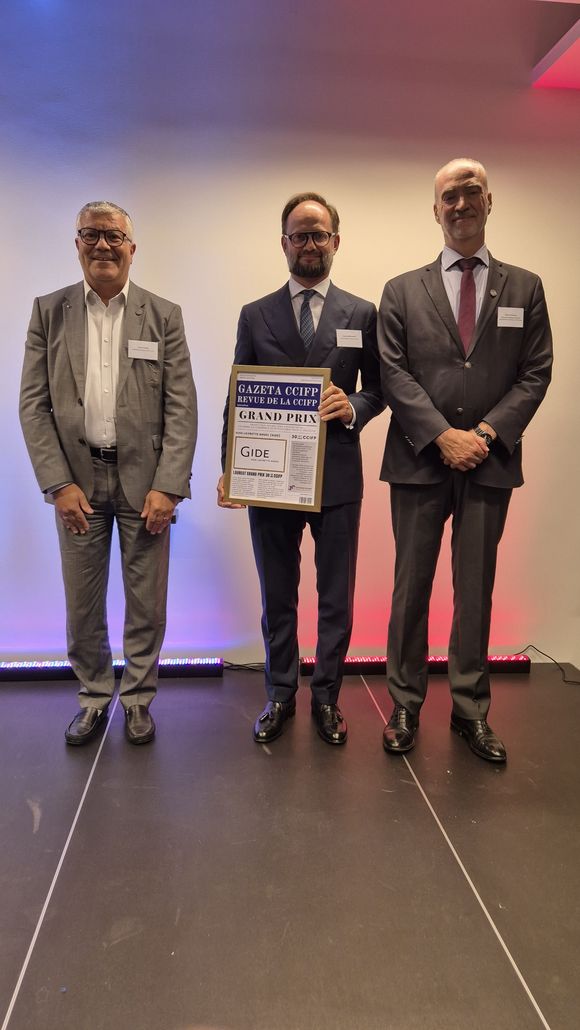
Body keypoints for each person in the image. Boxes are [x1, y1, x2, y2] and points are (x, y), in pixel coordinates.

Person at [378, 159, 552, 763]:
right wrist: (441, 436)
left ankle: (470, 710)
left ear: (488, 201)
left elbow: (536, 373)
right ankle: (405, 703)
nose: (460, 204)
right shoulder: (402, 290)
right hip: (418, 461)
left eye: (470, 192)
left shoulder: (526, 287)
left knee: (475, 589)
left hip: (489, 460)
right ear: (435, 210)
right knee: (411, 588)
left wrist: (483, 433)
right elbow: (393, 372)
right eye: (449, 196)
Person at [20, 201, 197, 746]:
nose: (103, 245)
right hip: (76, 482)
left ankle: (138, 699)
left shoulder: (162, 315)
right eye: (91, 234)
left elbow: (181, 407)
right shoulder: (48, 312)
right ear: (77, 244)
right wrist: (57, 484)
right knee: (82, 603)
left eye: (114, 236)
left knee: (147, 602)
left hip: (146, 485)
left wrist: (169, 485)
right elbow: (33, 405)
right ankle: (94, 697)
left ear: (131, 248)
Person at [218, 192, 383, 745]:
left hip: (337, 476)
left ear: (336, 240)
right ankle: (280, 693)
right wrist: (230, 467)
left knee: (336, 595)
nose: (309, 243)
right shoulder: (255, 313)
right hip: (270, 478)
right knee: (277, 592)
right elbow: (238, 396)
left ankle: (328, 697)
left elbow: (380, 389)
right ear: (284, 243)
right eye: (299, 234)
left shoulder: (362, 313)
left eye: (318, 233)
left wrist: (352, 406)